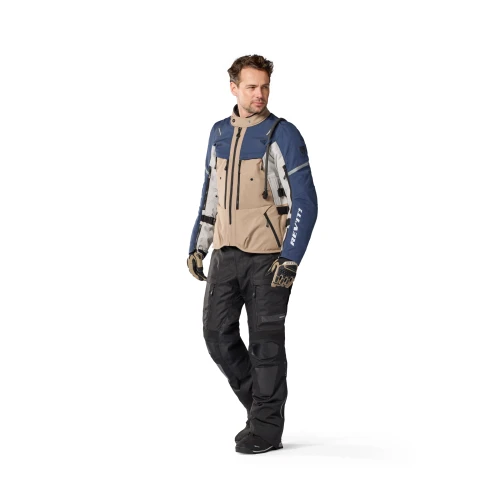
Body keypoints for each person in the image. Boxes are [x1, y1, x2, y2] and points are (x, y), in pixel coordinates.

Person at [187, 54, 318, 454]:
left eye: (264, 87)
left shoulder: (283, 134)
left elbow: (306, 201)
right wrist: (198, 245)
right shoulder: (218, 133)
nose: (259, 94)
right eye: (251, 87)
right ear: (233, 88)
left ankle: (266, 429)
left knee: (266, 346)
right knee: (216, 335)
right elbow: (210, 193)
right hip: (226, 254)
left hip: (268, 259)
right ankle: (262, 409)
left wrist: (290, 258)